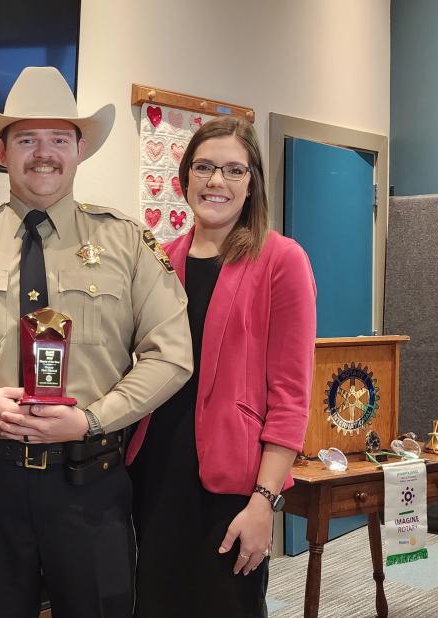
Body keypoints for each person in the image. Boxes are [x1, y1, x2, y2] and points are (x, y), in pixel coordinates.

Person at [0, 66, 193, 618]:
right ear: (1, 149)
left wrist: (93, 419)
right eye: (26, 139)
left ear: (80, 149)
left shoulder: (127, 242)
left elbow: (171, 354)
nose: (44, 153)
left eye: (59, 139)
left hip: (90, 482)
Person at [126, 115, 317, 617]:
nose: (217, 181)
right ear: (184, 176)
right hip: (157, 469)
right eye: (205, 167)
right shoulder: (160, 260)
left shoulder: (282, 260)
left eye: (234, 170)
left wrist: (264, 501)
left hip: (232, 481)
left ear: (252, 182)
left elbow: (292, 397)